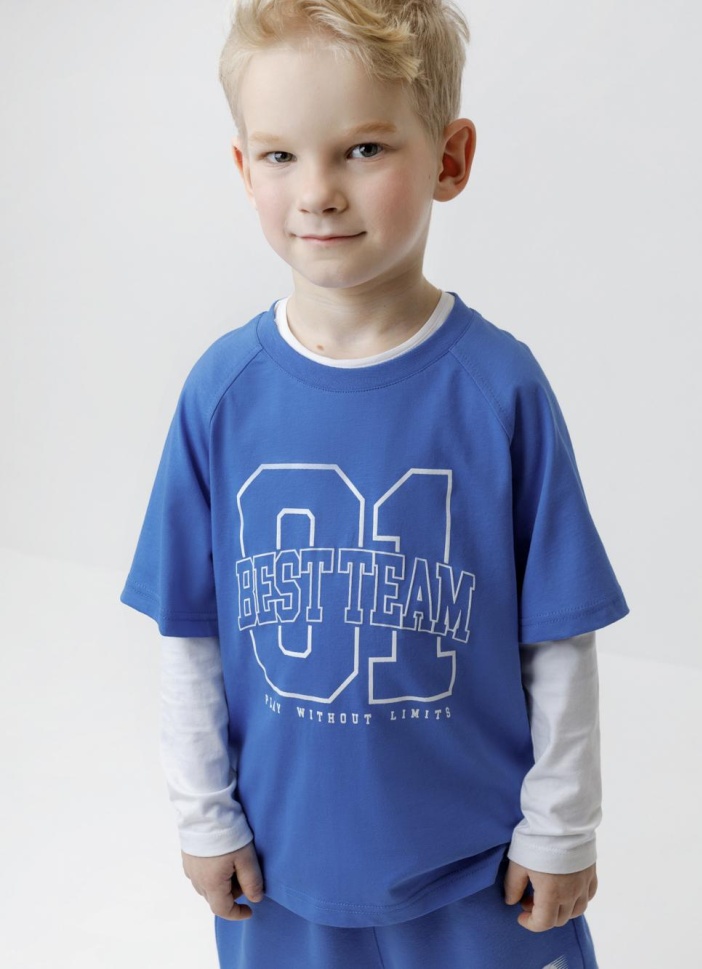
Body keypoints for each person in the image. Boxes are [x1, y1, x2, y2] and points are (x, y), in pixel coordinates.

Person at [121, 1, 629, 966]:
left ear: (450, 158)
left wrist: (561, 825)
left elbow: (557, 634)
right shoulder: (222, 393)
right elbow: (190, 634)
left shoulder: (499, 389)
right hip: (284, 873)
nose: (317, 192)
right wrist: (204, 816)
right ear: (243, 169)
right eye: (279, 155)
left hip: (479, 874)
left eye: (362, 149)